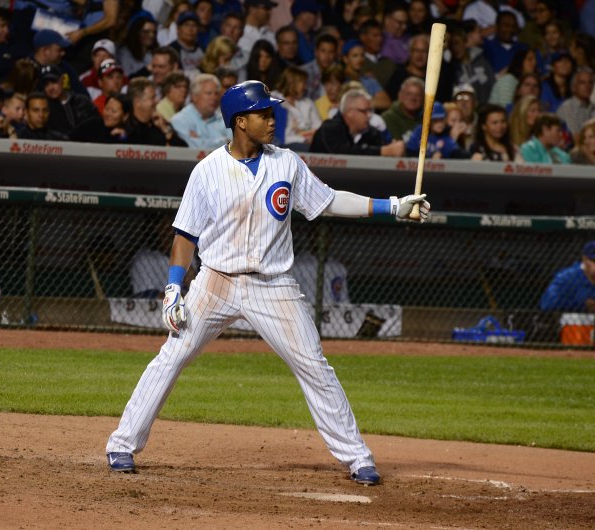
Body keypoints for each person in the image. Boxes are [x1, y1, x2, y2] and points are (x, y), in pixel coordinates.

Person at [104, 80, 430, 486]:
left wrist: (393, 207)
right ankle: (122, 443)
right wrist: (173, 288)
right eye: (263, 114)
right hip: (216, 281)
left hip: (274, 286)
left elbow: (327, 201)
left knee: (314, 365)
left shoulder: (287, 162)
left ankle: (357, 457)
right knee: (170, 359)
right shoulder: (207, 170)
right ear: (240, 122)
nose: (272, 119)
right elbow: (185, 236)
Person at [310, 88, 404, 157]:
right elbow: (342, 154)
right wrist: (382, 151)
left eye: (370, 111)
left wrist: (392, 147)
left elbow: (387, 148)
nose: (369, 115)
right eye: (365, 111)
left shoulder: (371, 132)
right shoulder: (330, 128)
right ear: (350, 112)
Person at [170, 73, 231, 149]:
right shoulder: (180, 120)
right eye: (209, 93)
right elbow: (194, 148)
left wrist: (200, 141)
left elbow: (235, 146)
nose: (214, 98)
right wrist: (225, 140)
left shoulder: (226, 120)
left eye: (216, 93)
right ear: (194, 96)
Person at [272, 65, 320, 150]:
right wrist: (303, 139)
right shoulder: (274, 101)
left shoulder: (307, 103)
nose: (305, 88)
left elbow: (318, 126)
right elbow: (282, 135)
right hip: (283, 146)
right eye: (303, 83)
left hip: (308, 144)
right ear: (292, 83)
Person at [405, 102, 474, 159]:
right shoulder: (420, 131)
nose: (439, 124)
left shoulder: (446, 135)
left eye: (441, 120)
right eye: (435, 121)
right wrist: (429, 157)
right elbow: (410, 152)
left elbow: (456, 153)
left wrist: (472, 156)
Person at [539, 241, 595, 312]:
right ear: (584, 259)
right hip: (573, 321)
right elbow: (547, 303)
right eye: (594, 261)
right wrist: (583, 305)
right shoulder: (567, 277)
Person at [381, 76, 423, 142]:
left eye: (418, 95)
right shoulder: (388, 118)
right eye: (408, 94)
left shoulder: (428, 117)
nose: (413, 98)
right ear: (400, 96)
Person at [556, 69, 595, 137]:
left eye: (590, 82)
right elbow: (575, 138)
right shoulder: (567, 109)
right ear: (573, 87)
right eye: (582, 82)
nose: (587, 86)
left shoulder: (593, 107)